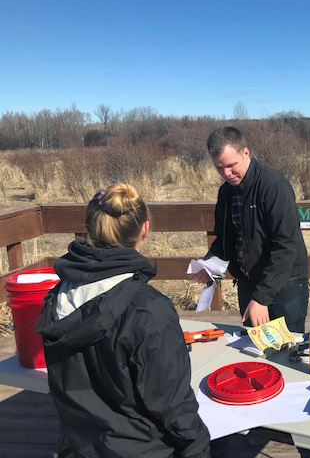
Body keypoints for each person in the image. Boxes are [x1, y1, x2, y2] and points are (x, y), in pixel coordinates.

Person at [36, 184, 211, 458]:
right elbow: (174, 408)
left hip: (87, 446)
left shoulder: (57, 297)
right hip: (148, 448)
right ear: (145, 230)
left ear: (90, 230)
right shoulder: (148, 310)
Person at [195, 126, 309, 333]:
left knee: (288, 351)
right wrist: (210, 264)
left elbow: (286, 245)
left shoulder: (273, 185)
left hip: (285, 283)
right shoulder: (225, 193)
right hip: (249, 283)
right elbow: (225, 239)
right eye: (219, 168)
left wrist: (262, 298)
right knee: (253, 346)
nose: (226, 174)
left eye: (231, 165)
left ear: (245, 153)